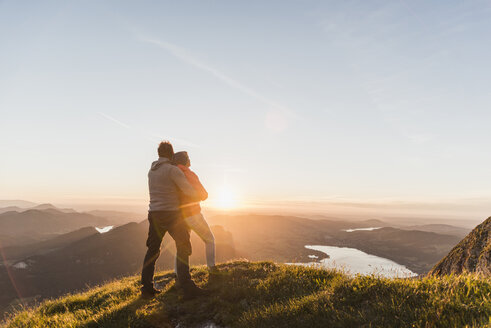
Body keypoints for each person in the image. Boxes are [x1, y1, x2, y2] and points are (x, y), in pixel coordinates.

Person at [141, 141, 206, 299]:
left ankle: (146, 288)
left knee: (153, 250)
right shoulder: (172, 171)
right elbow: (188, 191)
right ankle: (187, 286)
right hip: (172, 214)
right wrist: (200, 196)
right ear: (171, 153)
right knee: (183, 246)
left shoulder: (151, 171)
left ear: (158, 153)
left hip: (154, 214)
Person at [172, 151, 217, 273]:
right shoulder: (188, 174)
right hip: (193, 214)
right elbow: (204, 194)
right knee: (209, 240)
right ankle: (211, 267)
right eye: (188, 158)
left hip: (178, 216)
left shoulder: (172, 174)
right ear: (185, 161)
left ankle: (177, 273)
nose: (190, 160)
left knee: (182, 246)